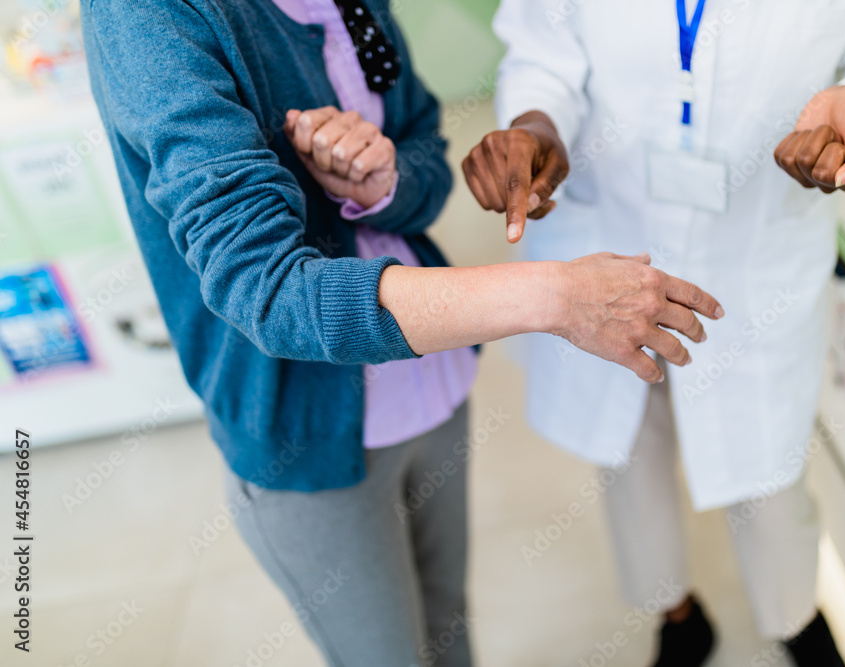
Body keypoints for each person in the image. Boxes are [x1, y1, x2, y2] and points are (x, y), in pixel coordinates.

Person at [80, 0, 726, 664]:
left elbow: (425, 156)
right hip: (309, 431)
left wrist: (382, 184)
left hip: (430, 383)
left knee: (447, 626)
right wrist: (559, 297)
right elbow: (267, 287)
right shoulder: (145, 16)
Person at [463, 1, 845, 665]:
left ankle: (794, 616)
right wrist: (538, 124)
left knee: (766, 464)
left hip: (756, 239)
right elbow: (543, 45)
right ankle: (675, 615)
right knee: (627, 446)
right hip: (610, 219)